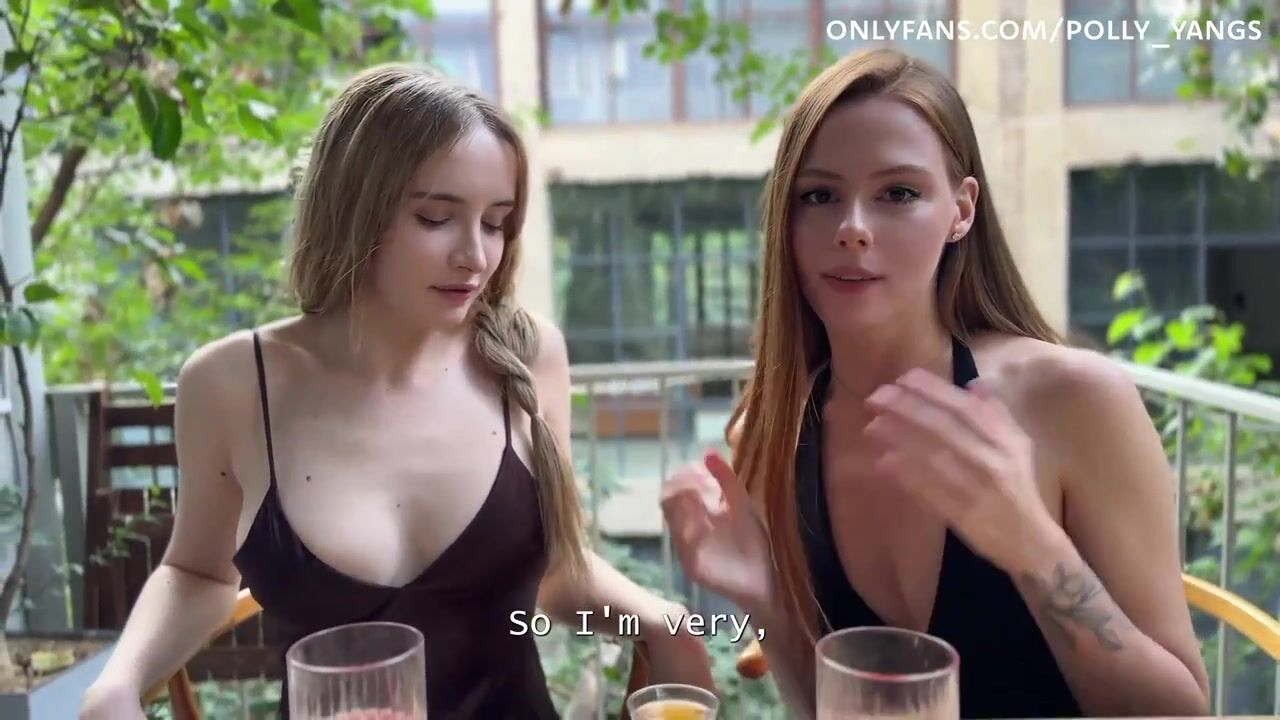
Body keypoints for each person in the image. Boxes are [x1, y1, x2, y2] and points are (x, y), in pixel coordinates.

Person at [79, 64, 714, 719]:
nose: (475, 256)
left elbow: (560, 574)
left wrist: (665, 621)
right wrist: (116, 684)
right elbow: (199, 573)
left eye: (495, 223)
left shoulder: (528, 357)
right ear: (354, 209)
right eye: (436, 218)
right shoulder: (232, 383)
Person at [661, 48, 1210, 720]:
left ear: (961, 210)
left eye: (898, 193)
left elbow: (1183, 712)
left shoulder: (1074, 401)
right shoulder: (767, 440)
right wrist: (766, 603)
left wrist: (1034, 547)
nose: (852, 228)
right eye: (819, 195)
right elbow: (827, 708)